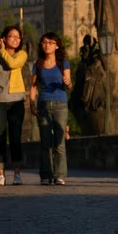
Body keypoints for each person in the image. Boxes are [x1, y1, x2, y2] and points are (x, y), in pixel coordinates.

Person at [30, 32, 71, 186]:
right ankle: (46, 175)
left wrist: (67, 82)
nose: (47, 45)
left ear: (57, 46)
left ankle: (60, 175)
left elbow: (69, 85)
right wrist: (32, 104)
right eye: (44, 42)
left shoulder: (63, 63)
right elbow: (33, 87)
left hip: (61, 104)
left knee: (59, 141)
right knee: (45, 142)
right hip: (44, 104)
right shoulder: (38, 64)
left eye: (50, 42)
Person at [0, 24, 28, 186]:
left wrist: (1, 51)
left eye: (18, 37)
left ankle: (17, 173)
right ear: (4, 38)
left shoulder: (22, 54)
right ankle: (0, 174)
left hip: (16, 101)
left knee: (15, 137)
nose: (15, 39)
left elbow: (12, 64)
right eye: (12, 36)